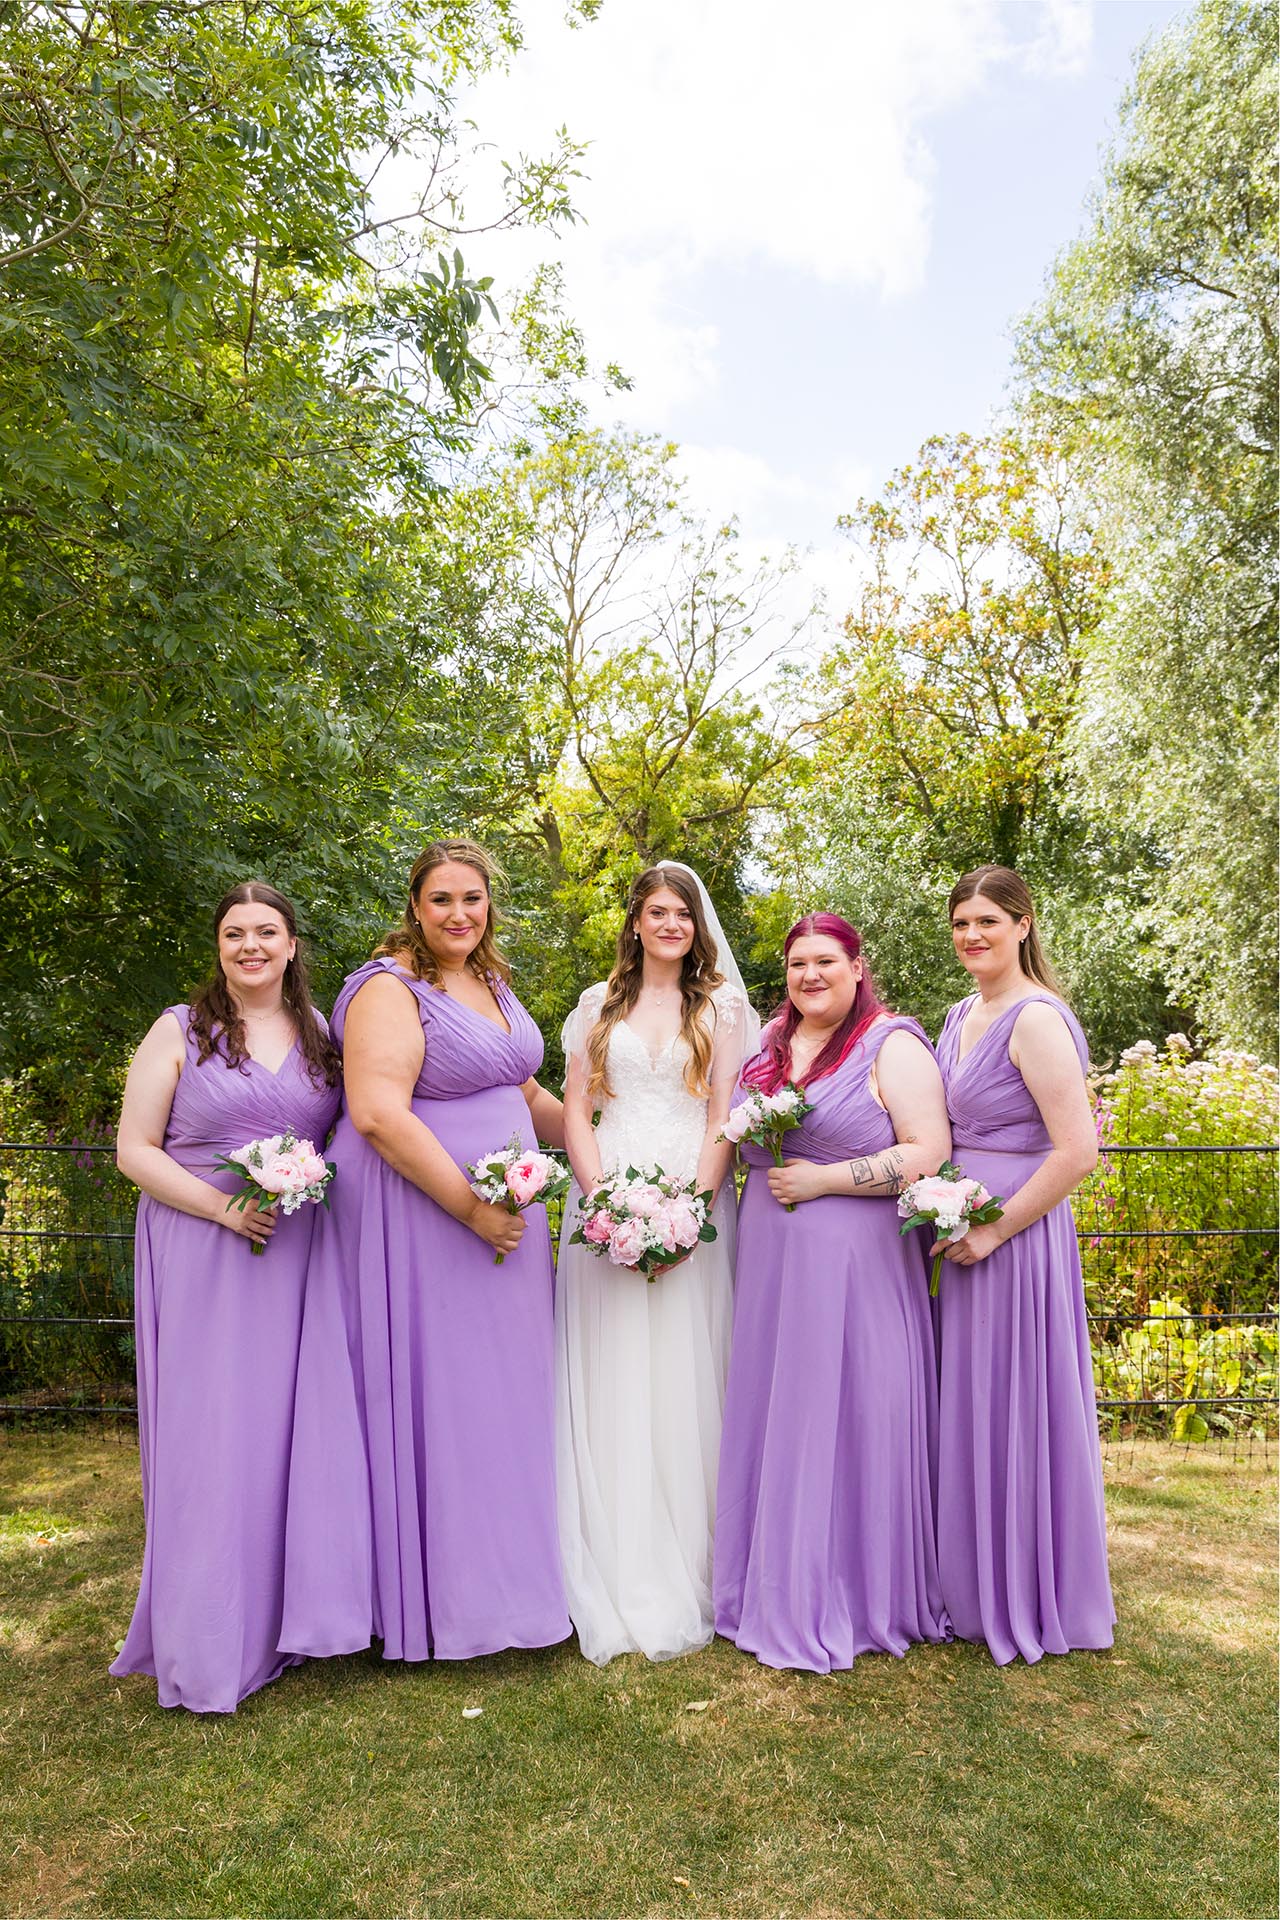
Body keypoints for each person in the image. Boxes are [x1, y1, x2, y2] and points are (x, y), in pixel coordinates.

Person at [284, 840, 570, 1664]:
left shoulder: (489, 979)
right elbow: (376, 1113)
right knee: (443, 1396)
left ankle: (510, 1582)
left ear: (490, 904)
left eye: (472, 899)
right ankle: (443, 1598)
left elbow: (523, 1089)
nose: (459, 914)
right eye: (441, 899)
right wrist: (472, 1210)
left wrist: (601, 1140)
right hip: (423, 1212)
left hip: (500, 1208)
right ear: (414, 904)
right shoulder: (388, 988)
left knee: (500, 1395)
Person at [111, 882, 342, 1713]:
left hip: (299, 1252)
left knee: (287, 1433)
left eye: (266, 932)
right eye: (235, 933)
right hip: (205, 1243)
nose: (250, 946)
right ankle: (210, 1641)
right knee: (213, 1436)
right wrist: (220, 1209)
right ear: (219, 946)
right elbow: (133, 1150)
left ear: (290, 945)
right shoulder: (180, 1029)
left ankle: (286, 1622)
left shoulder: (321, 1036)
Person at [714, 912, 952, 1673]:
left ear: (856, 966)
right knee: (778, 1410)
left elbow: (926, 1151)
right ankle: (772, 1583)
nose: (810, 976)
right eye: (796, 965)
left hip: (856, 1261)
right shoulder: (770, 1048)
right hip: (771, 1259)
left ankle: (849, 1590)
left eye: (825, 961)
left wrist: (826, 1180)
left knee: (848, 1412)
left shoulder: (894, 1042)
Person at [555, 863, 758, 1665]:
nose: (670, 924)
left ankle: (695, 1556)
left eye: (682, 913)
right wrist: (599, 1198)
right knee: (609, 1368)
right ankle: (611, 1556)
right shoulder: (593, 1008)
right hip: (604, 1198)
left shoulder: (722, 1008)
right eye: (656, 912)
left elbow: (724, 1112)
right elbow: (575, 1106)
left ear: (695, 926)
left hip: (691, 1198)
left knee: (685, 1368)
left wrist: (694, 1211)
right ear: (635, 922)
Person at [932, 865, 1114, 1664]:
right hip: (960, 1228)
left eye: (988, 922)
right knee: (969, 1402)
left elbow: (1078, 1152)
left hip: (1015, 1237)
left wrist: (995, 1231)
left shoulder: (1035, 1020)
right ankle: (970, 1580)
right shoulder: (961, 1012)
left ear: (1023, 925)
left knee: (1017, 1405)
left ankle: (1029, 1586)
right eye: (962, 923)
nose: (974, 936)